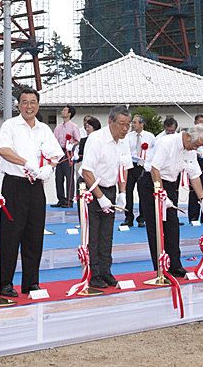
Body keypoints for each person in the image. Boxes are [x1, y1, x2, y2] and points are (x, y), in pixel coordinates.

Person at [0, 87, 62, 298]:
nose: (29, 106)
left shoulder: (44, 129)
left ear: (38, 105)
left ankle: (31, 282)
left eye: (33, 102)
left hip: (36, 186)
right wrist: (27, 163)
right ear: (18, 105)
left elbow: (56, 154)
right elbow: (3, 150)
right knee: (10, 235)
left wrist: (49, 168)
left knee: (34, 235)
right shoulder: (10, 125)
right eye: (24, 102)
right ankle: (5, 282)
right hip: (15, 184)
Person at [140, 125, 203, 277]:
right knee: (156, 227)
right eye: (195, 145)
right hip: (152, 183)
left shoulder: (190, 149)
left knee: (172, 226)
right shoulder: (167, 143)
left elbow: (195, 174)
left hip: (171, 184)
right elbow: (155, 169)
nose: (194, 149)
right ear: (186, 136)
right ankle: (161, 268)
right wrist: (161, 193)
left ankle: (175, 264)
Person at [81, 106, 132, 288]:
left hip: (111, 188)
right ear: (110, 122)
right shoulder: (96, 139)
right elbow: (86, 171)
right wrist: (100, 197)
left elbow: (124, 167)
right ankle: (93, 274)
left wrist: (122, 192)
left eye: (128, 125)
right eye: (121, 124)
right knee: (93, 235)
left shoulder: (124, 141)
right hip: (93, 188)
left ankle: (106, 271)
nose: (125, 129)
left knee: (107, 235)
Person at [124, 114, 155, 227]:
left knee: (143, 192)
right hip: (131, 166)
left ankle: (142, 217)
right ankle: (128, 217)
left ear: (142, 124)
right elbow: (125, 150)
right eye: (133, 122)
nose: (133, 124)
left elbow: (153, 151)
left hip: (143, 166)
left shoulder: (150, 136)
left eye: (135, 122)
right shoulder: (128, 137)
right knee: (128, 191)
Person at [52, 105, 81, 208]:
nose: (62, 112)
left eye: (64, 110)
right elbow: (54, 140)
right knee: (58, 177)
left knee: (69, 177)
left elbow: (78, 140)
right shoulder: (58, 127)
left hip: (68, 152)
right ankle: (61, 199)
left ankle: (69, 201)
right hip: (59, 152)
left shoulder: (73, 127)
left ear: (69, 114)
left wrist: (72, 145)